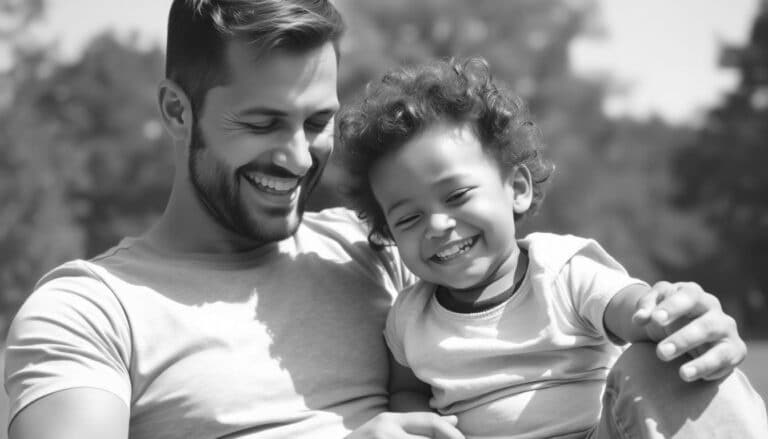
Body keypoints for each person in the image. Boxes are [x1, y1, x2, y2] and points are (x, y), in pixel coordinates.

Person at [3, 1, 466, 438]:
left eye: (316, 122)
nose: (299, 160)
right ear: (176, 111)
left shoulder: (385, 252)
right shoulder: (90, 313)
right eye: (262, 125)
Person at [336, 57, 768, 438]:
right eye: (409, 218)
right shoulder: (410, 317)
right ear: (389, 232)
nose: (438, 225)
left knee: (667, 362)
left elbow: (629, 308)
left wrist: (664, 314)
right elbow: (408, 391)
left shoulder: (561, 271)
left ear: (517, 189)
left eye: (457, 196)